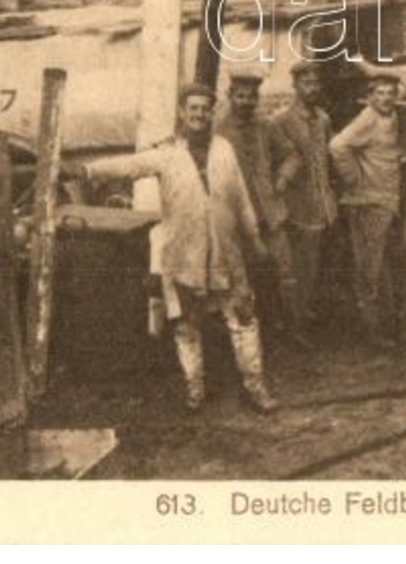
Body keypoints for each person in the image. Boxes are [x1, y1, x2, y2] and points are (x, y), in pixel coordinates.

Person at [77, 84, 277, 413]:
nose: (199, 114)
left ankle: (256, 388)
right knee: (187, 326)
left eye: (205, 109)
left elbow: (240, 197)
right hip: (185, 257)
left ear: (212, 113)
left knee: (243, 318)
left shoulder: (224, 148)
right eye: (193, 109)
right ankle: (194, 389)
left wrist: (254, 238)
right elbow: (132, 165)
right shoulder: (167, 153)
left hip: (226, 254)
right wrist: (87, 170)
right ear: (182, 113)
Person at [330, 72, 406, 348]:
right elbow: (338, 146)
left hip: (393, 201)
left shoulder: (395, 117)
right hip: (369, 203)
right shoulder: (367, 118)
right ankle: (376, 332)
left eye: (391, 92)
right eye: (380, 93)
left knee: (404, 264)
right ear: (370, 95)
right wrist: (355, 179)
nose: (386, 98)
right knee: (372, 269)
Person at [217, 70, 307, 349]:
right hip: (239, 220)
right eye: (240, 96)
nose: (246, 101)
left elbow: (292, 155)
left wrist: (282, 180)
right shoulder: (219, 133)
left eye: (251, 96)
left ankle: (293, 331)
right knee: (245, 279)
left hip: (271, 216)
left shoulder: (266, 127)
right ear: (230, 97)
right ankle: (253, 339)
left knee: (287, 276)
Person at [269, 61, 338, 327]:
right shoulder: (281, 120)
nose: (312, 88)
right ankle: (289, 318)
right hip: (294, 205)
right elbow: (277, 162)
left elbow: (327, 158)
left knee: (312, 262)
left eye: (315, 83)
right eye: (306, 83)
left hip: (320, 201)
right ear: (295, 85)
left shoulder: (323, 119)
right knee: (292, 265)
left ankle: (303, 311)